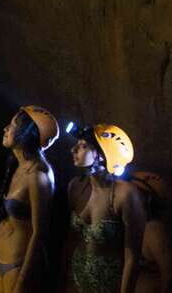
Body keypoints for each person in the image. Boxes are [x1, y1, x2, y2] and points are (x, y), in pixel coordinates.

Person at [0, 106, 58, 293]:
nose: (5, 128)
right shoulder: (17, 167)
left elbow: (39, 233)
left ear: (27, 133)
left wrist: (22, 281)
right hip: (1, 266)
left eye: (12, 125)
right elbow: (5, 220)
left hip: (19, 268)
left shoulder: (38, 175)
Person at [61, 124, 145, 293]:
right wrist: (63, 280)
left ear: (102, 155)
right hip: (76, 281)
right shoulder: (76, 187)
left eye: (83, 146)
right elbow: (70, 240)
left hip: (108, 285)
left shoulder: (125, 194)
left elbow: (132, 256)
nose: (73, 149)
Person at [129, 172, 172, 293]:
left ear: (148, 200)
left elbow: (169, 275)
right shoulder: (133, 226)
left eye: (133, 194)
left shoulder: (153, 230)